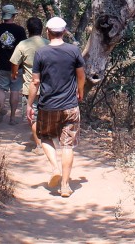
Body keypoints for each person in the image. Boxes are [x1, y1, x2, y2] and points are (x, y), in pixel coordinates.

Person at [27, 17, 85, 198]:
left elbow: (35, 81)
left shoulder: (41, 53)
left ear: (47, 32)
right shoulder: (73, 50)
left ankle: (54, 168)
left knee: (44, 136)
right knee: (67, 145)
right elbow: (81, 76)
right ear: (65, 31)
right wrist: (80, 91)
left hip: (47, 105)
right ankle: (65, 186)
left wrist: (29, 104)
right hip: (70, 106)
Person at [10, 16, 49, 153]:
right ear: (42, 29)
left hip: (30, 87)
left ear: (28, 29)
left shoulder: (23, 45)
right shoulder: (48, 44)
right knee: (44, 115)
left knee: (32, 115)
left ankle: (39, 145)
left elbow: (15, 63)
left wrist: (14, 74)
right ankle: (41, 139)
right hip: (49, 87)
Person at [0, 4, 27, 124]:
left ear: (3, 16)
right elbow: (24, 48)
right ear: (14, 15)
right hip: (17, 66)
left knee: (0, 88)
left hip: (1, 65)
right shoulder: (20, 30)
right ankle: (13, 117)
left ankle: (2, 107)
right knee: (15, 91)